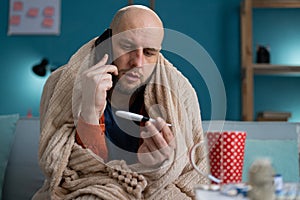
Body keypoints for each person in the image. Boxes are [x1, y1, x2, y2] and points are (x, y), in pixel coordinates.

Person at [33, 5, 209, 200]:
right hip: (86, 188)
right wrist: (90, 111)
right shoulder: (60, 83)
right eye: (127, 47)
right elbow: (59, 168)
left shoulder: (180, 91)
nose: (138, 63)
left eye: (150, 53)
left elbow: (191, 171)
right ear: (108, 42)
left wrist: (155, 166)